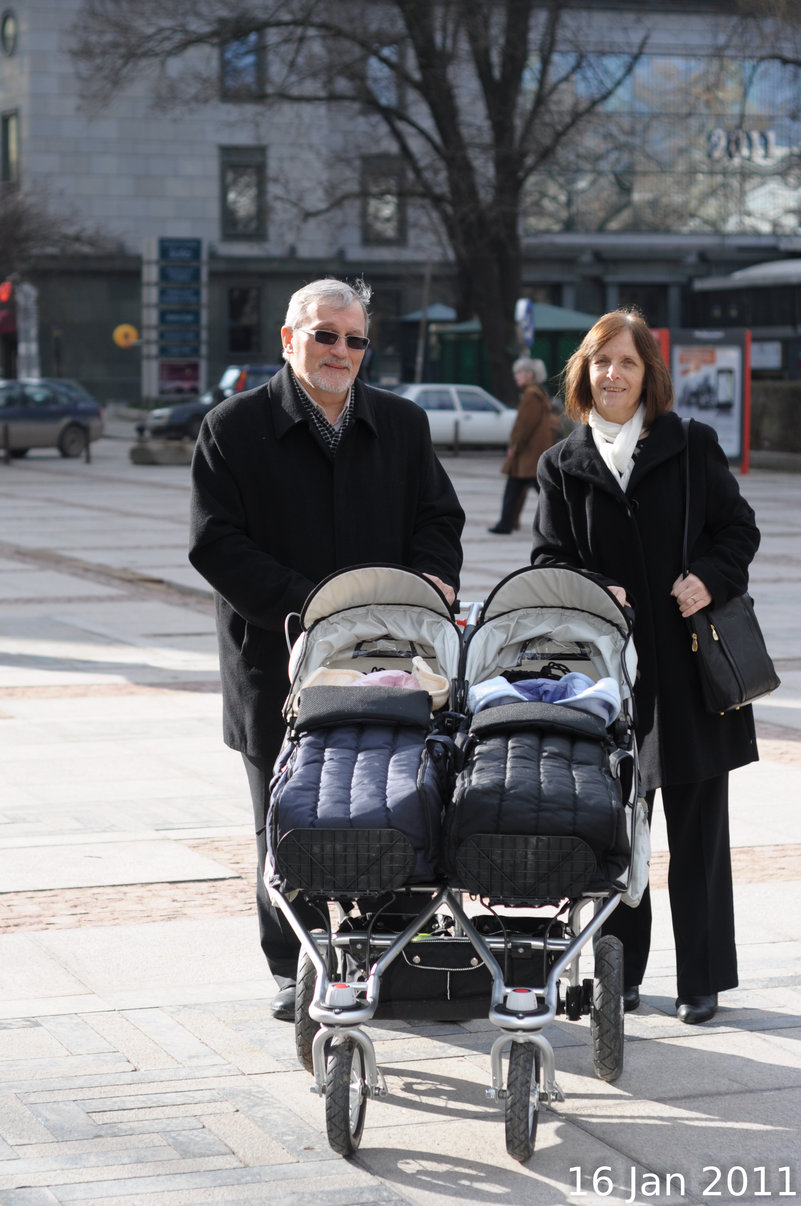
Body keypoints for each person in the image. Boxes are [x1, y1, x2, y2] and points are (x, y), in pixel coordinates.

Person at [189, 278, 464, 1020]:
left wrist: (431, 579)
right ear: (289, 339)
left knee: (396, 800)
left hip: (392, 661)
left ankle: (390, 953)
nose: (340, 350)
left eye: (354, 339)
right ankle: (296, 964)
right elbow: (215, 543)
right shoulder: (232, 426)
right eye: (325, 335)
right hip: (276, 663)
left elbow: (439, 518)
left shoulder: (401, 423)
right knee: (286, 816)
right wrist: (314, 609)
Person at [531, 308, 760, 1025]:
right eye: (601, 362)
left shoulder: (690, 445)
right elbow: (549, 559)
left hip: (691, 672)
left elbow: (738, 529)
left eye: (626, 362)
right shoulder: (561, 463)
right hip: (609, 676)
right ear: (584, 372)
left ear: (648, 374)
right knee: (615, 830)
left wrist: (708, 578)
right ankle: (619, 973)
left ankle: (701, 979)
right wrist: (594, 588)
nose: (613, 375)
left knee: (698, 833)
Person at [488, 357, 554, 534]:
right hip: (533, 452)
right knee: (518, 488)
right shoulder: (538, 393)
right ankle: (508, 523)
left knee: (534, 489)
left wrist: (514, 446)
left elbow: (524, 425)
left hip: (528, 453)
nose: (515, 376)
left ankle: (507, 524)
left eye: (519, 373)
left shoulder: (531, 396)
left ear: (529, 374)